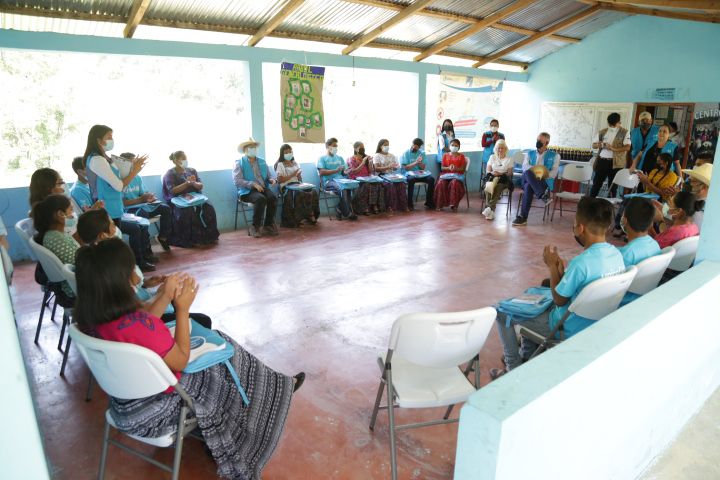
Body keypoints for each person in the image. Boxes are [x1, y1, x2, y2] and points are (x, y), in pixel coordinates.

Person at [73, 238, 303, 480]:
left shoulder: (93, 318)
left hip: (123, 403)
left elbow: (145, 321)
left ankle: (274, 385)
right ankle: (267, 400)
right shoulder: (143, 326)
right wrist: (182, 309)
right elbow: (180, 360)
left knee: (220, 347)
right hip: (155, 410)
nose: (136, 271)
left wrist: (165, 294)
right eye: (132, 267)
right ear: (121, 280)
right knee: (226, 353)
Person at [492, 197, 625, 376]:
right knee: (532, 303)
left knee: (501, 312)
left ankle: (513, 369)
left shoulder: (581, 263)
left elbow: (559, 300)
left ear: (581, 228)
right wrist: (560, 270)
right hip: (594, 322)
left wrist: (552, 266)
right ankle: (527, 357)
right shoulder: (616, 255)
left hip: (565, 327)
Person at [83, 125, 156, 271]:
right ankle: (119, 277)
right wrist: (134, 172)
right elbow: (119, 186)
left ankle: (130, 268)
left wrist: (131, 166)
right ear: (98, 140)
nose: (112, 140)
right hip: (107, 209)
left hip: (114, 207)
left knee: (115, 245)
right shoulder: (97, 159)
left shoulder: (105, 158)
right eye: (108, 137)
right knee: (112, 248)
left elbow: (118, 177)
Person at [611, 152, 678, 237]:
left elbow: (663, 194)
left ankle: (627, 229)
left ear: (666, 163)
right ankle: (624, 227)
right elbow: (646, 188)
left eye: (659, 161)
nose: (657, 163)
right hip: (647, 195)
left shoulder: (672, 176)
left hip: (659, 199)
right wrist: (643, 181)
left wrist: (647, 182)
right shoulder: (654, 171)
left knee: (635, 204)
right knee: (628, 201)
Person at [163, 150, 220, 247]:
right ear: (176, 161)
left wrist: (194, 183)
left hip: (194, 197)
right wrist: (186, 184)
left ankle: (209, 236)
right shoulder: (169, 174)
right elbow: (172, 191)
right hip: (178, 200)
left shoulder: (192, 171)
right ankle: (190, 239)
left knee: (208, 207)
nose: (185, 161)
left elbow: (200, 186)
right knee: (187, 211)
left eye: (186, 159)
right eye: (183, 159)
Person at [117, 153, 172, 251]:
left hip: (142, 205)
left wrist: (149, 197)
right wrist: (141, 199)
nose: (136, 166)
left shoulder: (137, 177)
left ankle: (162, 237)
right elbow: (122, 203)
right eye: (134, 163)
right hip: (129, 211)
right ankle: (146, 249)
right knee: (143, 214)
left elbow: (143, 193)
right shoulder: (119, 180)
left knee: (165, 209)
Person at [31, 194, 79, 298]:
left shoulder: (58, 234)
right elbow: (77, 264)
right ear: (60, 214)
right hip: (75, 287)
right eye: (71, 210)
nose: (73, 214)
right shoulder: (56, 238)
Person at [617, 198, 661, 305]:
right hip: (644, 297)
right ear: (650, 224)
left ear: (624, 220)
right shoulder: (655, 245)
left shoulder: (625, 254)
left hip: (623, 302)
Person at [512, 132, 560, 226]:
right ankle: (542, 195)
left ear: (546, 142)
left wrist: (542, 174)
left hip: (544, 181)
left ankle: (523, 217)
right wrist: (535, 171)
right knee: (528, 173)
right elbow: (525, 167)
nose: (537, 142)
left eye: (540, 141)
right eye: (537, 140)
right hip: (529, 178)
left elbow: (554, 173)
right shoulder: (529, 153)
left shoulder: (555, 156)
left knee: (529, 186)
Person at [233, 138, 279, 237]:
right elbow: (237, 181)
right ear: (245, 150)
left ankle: (268, 225)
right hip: (247, 191)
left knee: (273, 198)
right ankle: (255, 226)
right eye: (251, 147)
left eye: (254, 147)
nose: (253, 149)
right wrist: (252, 184)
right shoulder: (239, 163)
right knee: (260, 199)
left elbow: (269, 175)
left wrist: (272, 180)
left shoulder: (262, 161)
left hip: (262, 188)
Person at [274, 144, 320, 227]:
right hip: (286, 186)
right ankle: (297, 219)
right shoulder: (280, 164)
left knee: (313, 192)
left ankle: (310, 214)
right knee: (300, 194)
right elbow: (280, 180)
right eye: (286, 152)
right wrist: (293, 174)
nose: (289, 153)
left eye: (290, 151)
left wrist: (299, 176)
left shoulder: (294, 163)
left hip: (297, 184)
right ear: (282, 154)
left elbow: (298, 178)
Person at [590, 113, 631, 198]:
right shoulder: (603, 131)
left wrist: (612, 148)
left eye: (614, 125)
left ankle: (609, 207)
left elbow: (627, 147)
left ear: (619, 122)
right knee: (596, 184)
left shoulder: (624, 132)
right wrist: (599, 144)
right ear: (608, 123)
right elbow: (593, 145)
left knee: (612, 187)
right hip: (602, 161)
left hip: (616, 163)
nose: (612, 127)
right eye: (610, 125)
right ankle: (590, 203)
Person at [317, 137, 357, 221]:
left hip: (341, 180)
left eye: (336, 146)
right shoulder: (322, 158)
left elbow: (343, 172)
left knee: (354, 187)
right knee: (343, 189)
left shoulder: (340, 158)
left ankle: (339, 208)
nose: (336, 148)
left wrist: (347, 171)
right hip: (329, 181)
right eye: (334, 146)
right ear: (328, 146)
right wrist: (335, 170)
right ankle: (347, 213)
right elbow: (321, 172)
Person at [346, 141, 385, 215]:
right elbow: (354, 171)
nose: (362, 149)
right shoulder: (351, 159)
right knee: (366, 185)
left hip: (367, 178)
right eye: (360, 148)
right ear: (355, 149)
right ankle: (364, 207)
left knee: (378, 184)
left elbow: (370, 171)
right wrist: (363, 162)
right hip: (356, 179)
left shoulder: (366, 157)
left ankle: (374, 205)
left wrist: (370, 162)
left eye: (363, 147)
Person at [373, 139, 408, 212]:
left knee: (402, 184)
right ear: (380, 146)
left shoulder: (392, 155)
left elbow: (394, 168)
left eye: (388, 145)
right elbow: (377, 169)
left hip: (391, 175)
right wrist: (388, 167)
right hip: (381, 175)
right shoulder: (377, 156)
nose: (387, 146)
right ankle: (390, 206)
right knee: (390, 185)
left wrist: (395, 167)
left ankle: (402, 206)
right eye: (385, 145)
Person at [482, 139, 513, 221]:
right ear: (496, 149)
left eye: (502, 148)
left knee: (498, 187)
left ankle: (489, 207)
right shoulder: (492, 157)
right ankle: (490, 211)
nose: (500, 150)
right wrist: (493, 173)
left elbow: (509, 173)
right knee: (488, 187)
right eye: (498, 148)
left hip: (503, 179)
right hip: (493, 177)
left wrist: (500, 174)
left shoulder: (509, 159)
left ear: (505, 149)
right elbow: (488, 170)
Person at [400, 138, 435, 210]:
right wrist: (415, 162)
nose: (413, 148)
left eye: (416, 147)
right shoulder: (406, 153)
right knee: (411, 180)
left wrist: (420, 163)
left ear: (419, 147)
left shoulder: (422, 153)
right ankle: (409, 203)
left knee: (431, 179)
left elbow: (423, 168)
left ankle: (429, 202)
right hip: (408, 174)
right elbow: (406, 168)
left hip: (419, 174)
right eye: (413, 145)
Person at [435, 138, 467, 211]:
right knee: (440, 183)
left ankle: (454, 204)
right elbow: (442, 167)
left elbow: (462, 169)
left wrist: (455, 168)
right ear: (449, 146)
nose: (454, 147)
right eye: (452, 145)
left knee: (454, 183)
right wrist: (449, 168)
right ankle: (440, 204)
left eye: (456, 145)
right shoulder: (445, 155)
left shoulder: (461, 156)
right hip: (446, 175)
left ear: (459, 147)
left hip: (457, 176)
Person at [681, 162, 712, 230]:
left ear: (703, 187)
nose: (688, 183)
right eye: (689, 180)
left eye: (693, 181)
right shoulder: (693, 200)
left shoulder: (702, 214)